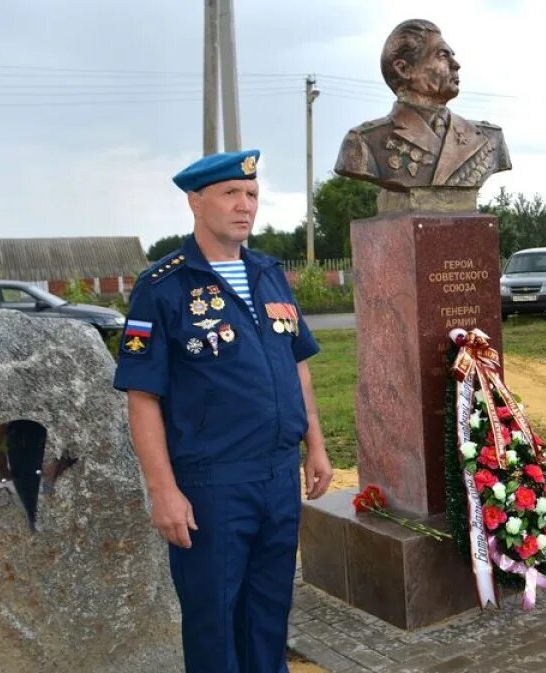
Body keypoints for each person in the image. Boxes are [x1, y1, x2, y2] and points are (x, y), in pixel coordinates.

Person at [113, 149, 333, 673]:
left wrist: (317, 446)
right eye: (230, 193)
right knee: (214, 622)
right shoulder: (163, 287)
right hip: (212, 485)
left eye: (252, 194)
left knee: (268, 613)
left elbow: (296, 364)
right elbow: (143, 397)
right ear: (195, 201)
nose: (245, 205)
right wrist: (163, 490)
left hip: (278, 477)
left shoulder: (269, 274)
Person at [334, 19, 511, 191]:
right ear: (403, 69)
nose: (456, 65)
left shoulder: (489, 138)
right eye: (442, 56)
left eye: (452, 56)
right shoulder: (364, 142)